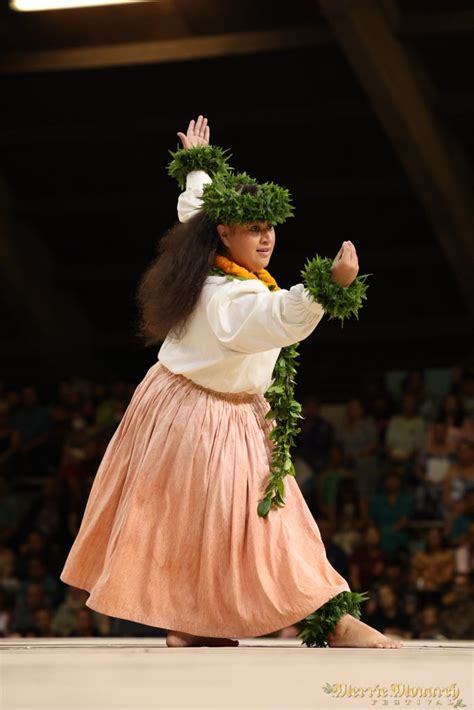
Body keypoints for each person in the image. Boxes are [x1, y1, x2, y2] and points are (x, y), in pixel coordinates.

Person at [59, 115, 401, 650]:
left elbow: (195, 207)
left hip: (197, 406)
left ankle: (199, 622)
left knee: (212, 519)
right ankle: (328, 622)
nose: (266, 239)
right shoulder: (229, 296)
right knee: (258, 520)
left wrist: (197, 166)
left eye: (270, 228)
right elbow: (276, 317)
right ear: (226, 234)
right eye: (253, 230)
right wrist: (327, 288)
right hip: (203, 415)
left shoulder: (210, 253)